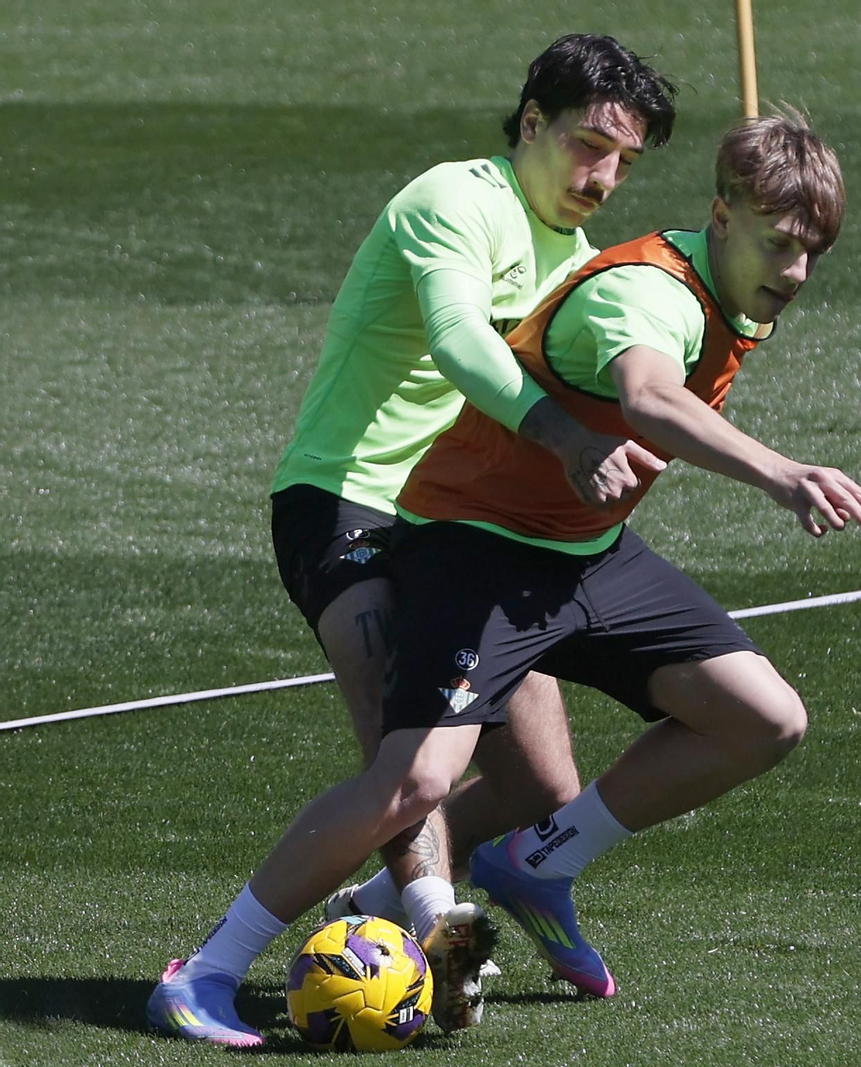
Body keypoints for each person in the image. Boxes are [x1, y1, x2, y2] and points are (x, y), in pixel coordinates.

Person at [147, 112, 861, 1047]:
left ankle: (540, 863)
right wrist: (784, 474)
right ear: (720, 216)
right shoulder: (649, 295)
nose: (796, 272)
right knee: (414, 779)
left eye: (813, 252)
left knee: (765, 716)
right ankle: (203, 972)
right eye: (779, 244)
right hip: (478, 546)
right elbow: (650, 394)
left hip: (586, 555)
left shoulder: (736, 294)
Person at [147, 35, 676, 1046]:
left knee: (539, 785)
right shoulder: (455, 201)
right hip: (349, 501)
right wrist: (562, 435)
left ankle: (399, 907)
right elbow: (461, 339)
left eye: (624, 163)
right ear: (530, 123)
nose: (601, 177)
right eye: (585, 145)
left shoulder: (583, 263)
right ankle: (231, 963)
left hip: (467, 524)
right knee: (411, 762)